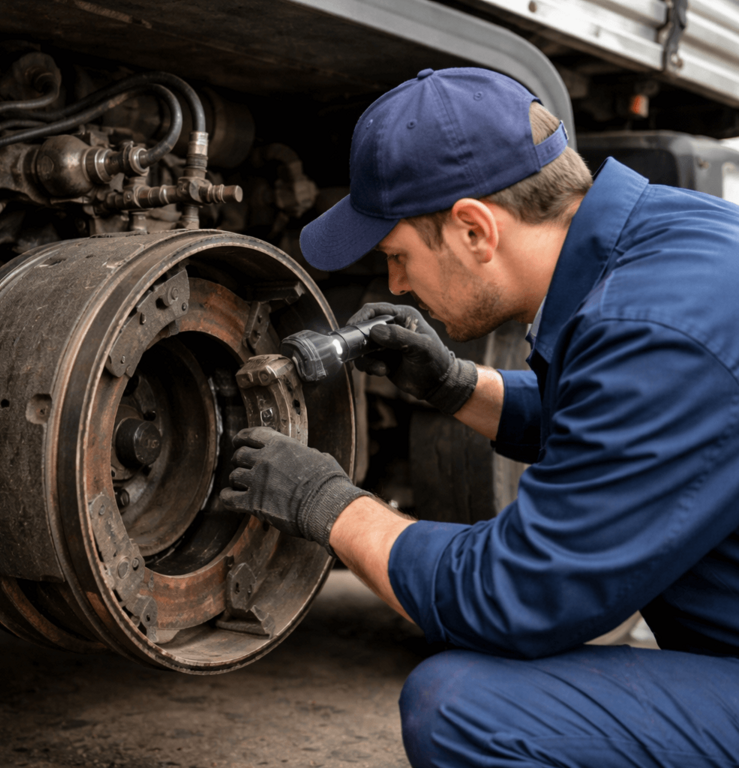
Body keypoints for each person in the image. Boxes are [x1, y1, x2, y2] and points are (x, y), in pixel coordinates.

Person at [220, 67, 739, 767]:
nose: (396, 283)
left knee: (463, 710)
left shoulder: (656, 329)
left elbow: (519, 597)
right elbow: (614, 426)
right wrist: (456, 384)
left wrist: (332, 506)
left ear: (474, 229)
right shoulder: (667, 242)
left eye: (397, 257)